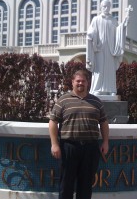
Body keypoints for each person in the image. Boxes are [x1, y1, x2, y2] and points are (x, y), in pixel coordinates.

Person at [49, 70, 109, 199]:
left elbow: (104, 122)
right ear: (72, 82)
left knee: (86, 185)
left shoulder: (96, 102)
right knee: (66, 185)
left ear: (88, 83)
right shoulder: (63, 100)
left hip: (90, 148)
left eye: (83, 81)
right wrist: (54, 144)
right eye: (78, 81)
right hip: (69, 147)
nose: (80, 83)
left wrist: (105, 142)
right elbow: (53, 121)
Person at [86, 0, 132, 96]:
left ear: (110, 7)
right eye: (104, 6)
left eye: (107, 6)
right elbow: (91, 31)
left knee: (110, 71)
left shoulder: (113, 20)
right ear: (100, 7)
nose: (106, 8)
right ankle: (97, 88)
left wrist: (124, 23)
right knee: (99, 69)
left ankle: (111, 89)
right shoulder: (96, 19)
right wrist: (91, 34)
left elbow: (118, 31)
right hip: (99, 49)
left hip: (111, 50)